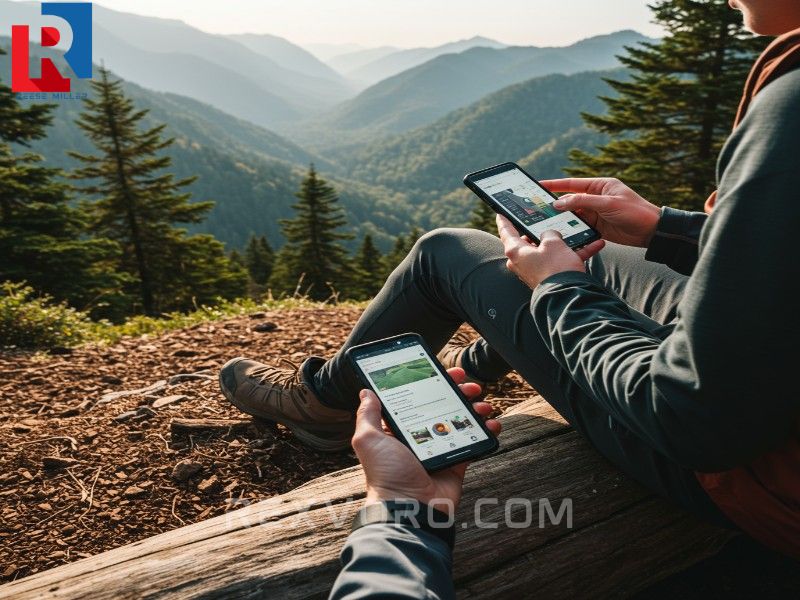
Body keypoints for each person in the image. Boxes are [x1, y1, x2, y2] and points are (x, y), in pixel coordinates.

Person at [219, 1, 800, 593]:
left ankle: (324, 403)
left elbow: (693, 418)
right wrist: (664, 230)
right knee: (583, 252)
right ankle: (479, 355)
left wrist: (557, 287)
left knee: (444, 253)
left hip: (752, 477)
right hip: (771, 410)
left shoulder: (792, 105)